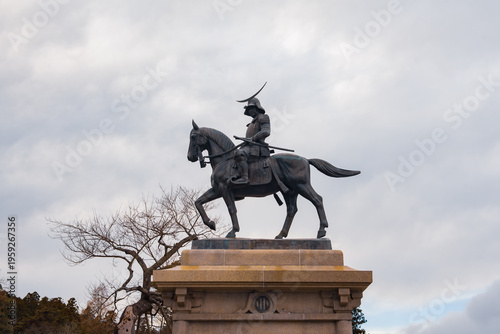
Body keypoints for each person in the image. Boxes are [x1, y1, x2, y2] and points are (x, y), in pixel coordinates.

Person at [232, 97, 271, 184]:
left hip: (257, 147)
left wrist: (253, 138)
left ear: (257, 107)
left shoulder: (263, 117)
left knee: (239, 153)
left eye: (252, 109)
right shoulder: (251, 123)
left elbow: (266, 131)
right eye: (249, 110)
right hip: (249, 146)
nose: (250, 111)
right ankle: (238, 173)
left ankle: (245, 177)